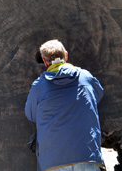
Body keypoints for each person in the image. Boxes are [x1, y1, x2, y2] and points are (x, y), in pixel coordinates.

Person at [25, 40, 104, 171]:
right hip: (87, 155)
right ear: (66, 56)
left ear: (45, 62)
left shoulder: (38, 86)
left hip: (52, 160)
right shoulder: (85, 77)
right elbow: (98, 96)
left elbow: (31, 115)